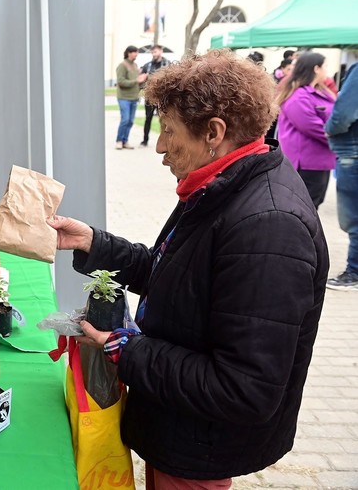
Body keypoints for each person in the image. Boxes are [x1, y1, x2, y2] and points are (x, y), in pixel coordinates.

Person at [49, 49, 327, 487]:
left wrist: (124, 349)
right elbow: (176, 278)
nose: (160, 146)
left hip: (202, 444)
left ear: (214, 132)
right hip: (182, 425)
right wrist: (93, 243)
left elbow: (243, 388)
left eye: (169, 130)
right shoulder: (225, 185)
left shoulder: (268, 226)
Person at [273, 52, 337, 209]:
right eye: (325, 66)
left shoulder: (321, 92)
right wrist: (338, 138)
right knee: (304, 207)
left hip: (320, 160)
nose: (327, 71)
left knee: (313, 205)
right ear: (316, 69)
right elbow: (312, 127)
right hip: (306, 162)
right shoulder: (299, 96)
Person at [325, 69, 358, 289]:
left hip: (353, 151)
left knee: (354, 218)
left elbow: (344, 113)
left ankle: (354, 271)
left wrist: (330, 129)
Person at [115, 45, 148, 150]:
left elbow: (137, 82)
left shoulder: (135, 65)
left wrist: (142, 79)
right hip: (124, 97)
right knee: (125, 120)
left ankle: (125, 141)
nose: (137, 54)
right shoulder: (122, 65)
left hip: (134, 98)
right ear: (129, 53)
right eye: (135, 52)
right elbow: (121, 82)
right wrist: (136, 80)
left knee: (130, 121)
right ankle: (119, 141)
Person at [139, 45, 170, 147]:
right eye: (152, 52)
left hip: (162, 98)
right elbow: (141, 80)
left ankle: (165, 141)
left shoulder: (168, 64)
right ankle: (145, 140)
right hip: (150, 98)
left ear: (161, 51)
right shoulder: (147, 66)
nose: (153, 54)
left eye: (155, 52)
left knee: (164, 120)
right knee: (148, 118)